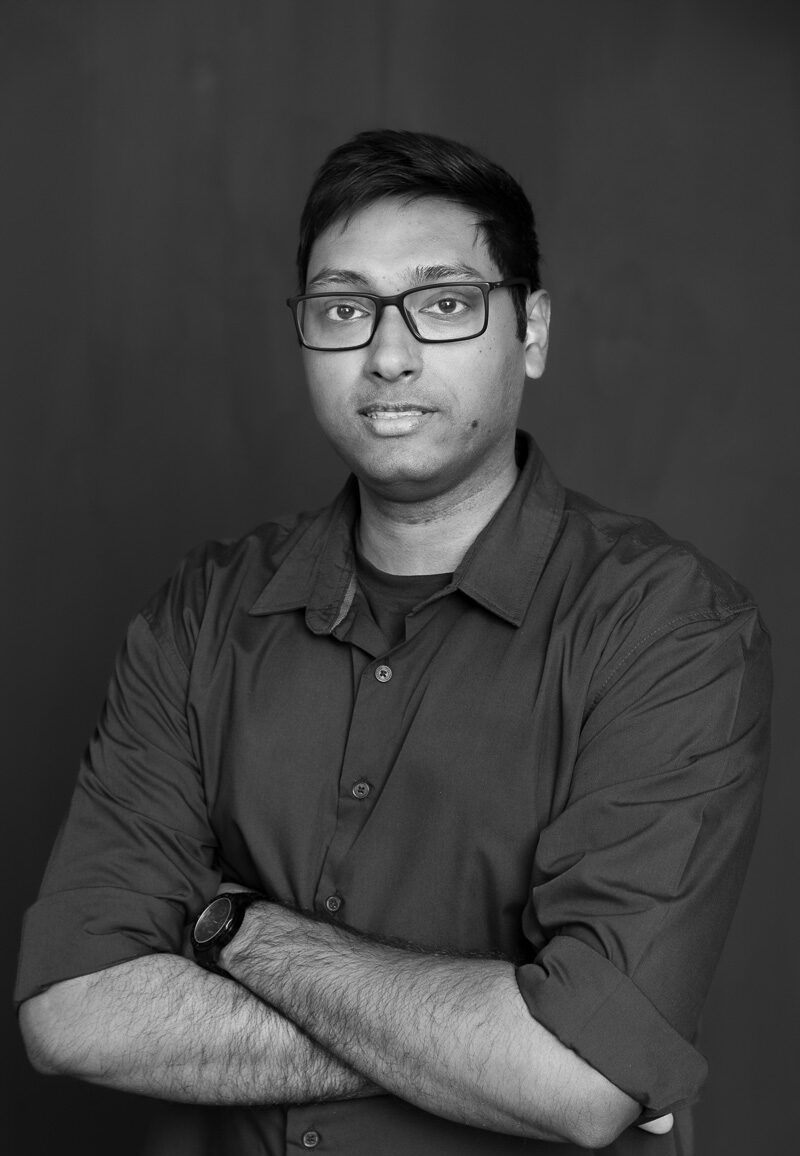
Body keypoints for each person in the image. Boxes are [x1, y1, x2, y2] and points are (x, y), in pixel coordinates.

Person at [16, 129, 770, 1155]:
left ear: (531, 330)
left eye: (444, 303)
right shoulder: (202, 613)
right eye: (343, 309)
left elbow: (585, 1078)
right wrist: (497, 1031)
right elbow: (71, 1008)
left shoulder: (667, 626)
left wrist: (235, 929)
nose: (387, 354)